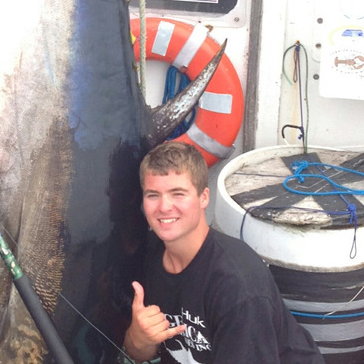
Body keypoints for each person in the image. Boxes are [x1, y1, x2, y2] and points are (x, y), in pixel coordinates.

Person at [123, 142, 324, 364]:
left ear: (203, 197)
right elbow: (138, 353)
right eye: (153, 195)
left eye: (178, 193)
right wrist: (139, 339)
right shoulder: (146, 254)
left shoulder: (236, 285)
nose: (164, 206)